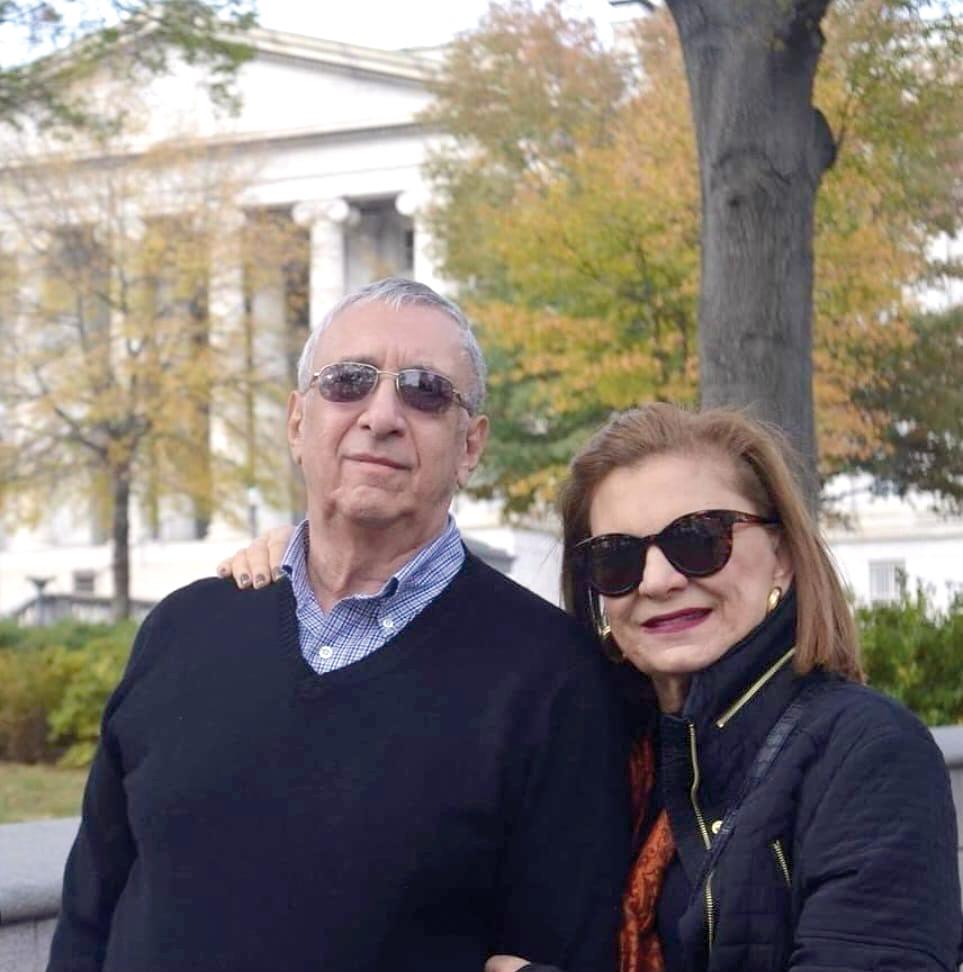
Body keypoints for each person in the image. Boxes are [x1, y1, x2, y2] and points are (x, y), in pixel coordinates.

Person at [228, 403, 963, 972]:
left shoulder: (862, 753)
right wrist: (312, 568)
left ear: (781, 556)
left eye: (699, 538)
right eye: (615, 558)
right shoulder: (595, 740)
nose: (659, 579)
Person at [48, 278, 631, 972]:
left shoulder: (552, 676)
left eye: (425, 391)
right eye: (348, 381)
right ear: (298, 422)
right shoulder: (181, 630)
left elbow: (556, 947)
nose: (380, 414)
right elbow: (89, 913)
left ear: (470, 444)